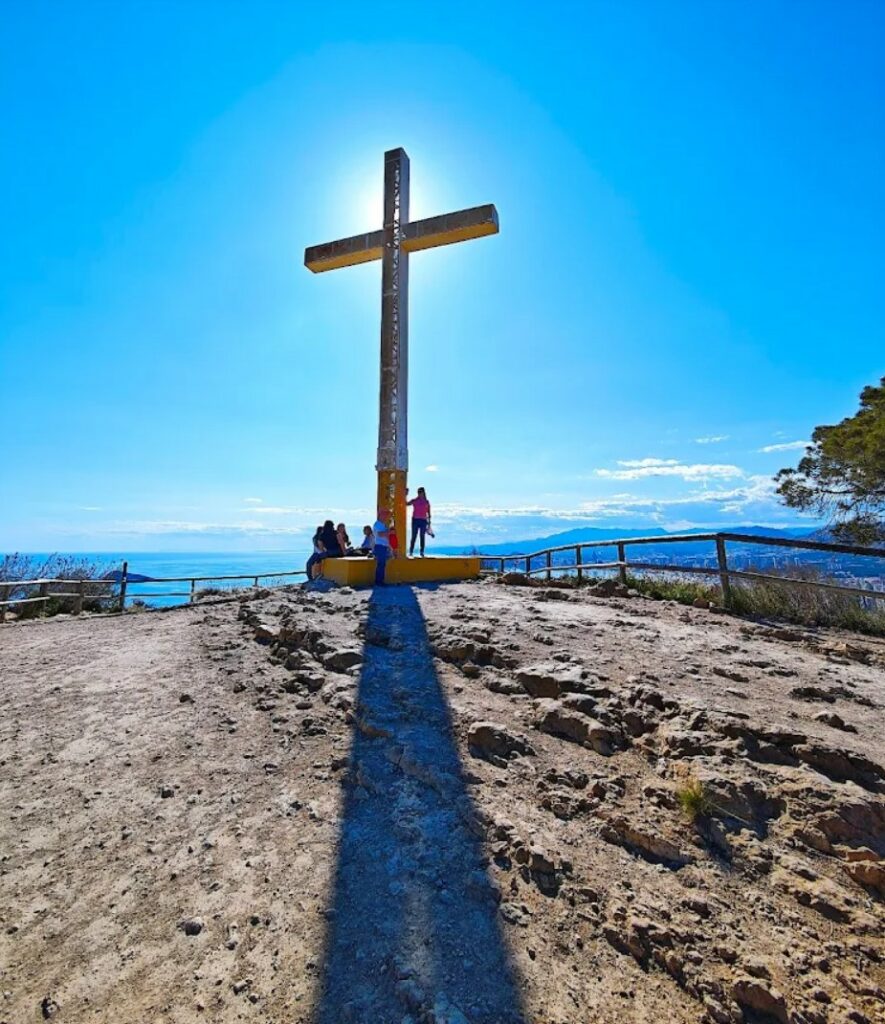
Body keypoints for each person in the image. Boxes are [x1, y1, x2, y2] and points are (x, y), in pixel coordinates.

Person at [407, 486, 432, 557]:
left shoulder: (426, 502)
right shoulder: (415, 500)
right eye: (418, 492)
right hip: (415, 520)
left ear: (423, 493)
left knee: (422, 536)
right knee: (414, 536)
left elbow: (429, 513)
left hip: (423, 520)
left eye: (420, 492)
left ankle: (422, 551)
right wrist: (405, 494)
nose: (419, 493)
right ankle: (411, 551)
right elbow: (406, 504)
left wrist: (429, 522)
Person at [372, 508, 391, 585]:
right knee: (381, 564)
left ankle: (380, 580)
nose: (386, 517)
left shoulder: (382, 524)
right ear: (380, 515)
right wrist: (389, 532)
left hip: (383, 546)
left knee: (382, 564)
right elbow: (380, 534)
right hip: (380, 546)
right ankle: (379, 581)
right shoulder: (378, 524)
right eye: (384, 515)